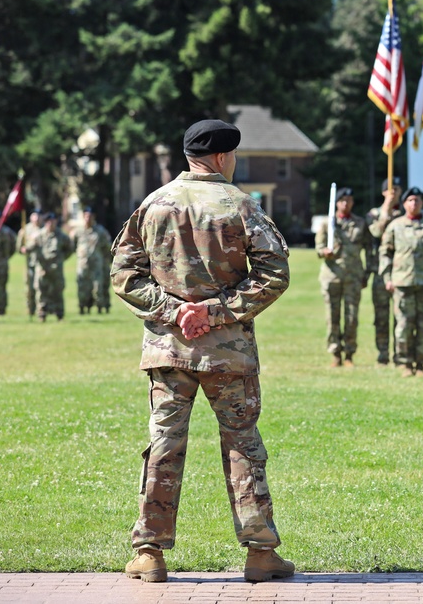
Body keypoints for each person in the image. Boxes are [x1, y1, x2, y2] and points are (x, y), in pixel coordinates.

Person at [112, 119, 293, 584]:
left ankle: (149, 552)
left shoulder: (153, 204)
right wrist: (214, 312)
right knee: (242, 444)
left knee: (164, 445)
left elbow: (123, 274)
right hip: (228, 354)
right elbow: (274, 272)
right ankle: (259, 553)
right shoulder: (240, 204)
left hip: (168, 351)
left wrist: (174, 312)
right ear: (221, 157)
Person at [379, 186, 423, 377]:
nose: (414, 203)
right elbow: (385, 253)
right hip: (402, 282)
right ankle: (405, 362)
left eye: (417, 200)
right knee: (403, 325)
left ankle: (421, 363)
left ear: (422, 204)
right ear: (404, 204)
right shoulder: (395, 225)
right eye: (410, 200)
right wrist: (387, 278)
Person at [315, 186, 370, 367]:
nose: (346, 204)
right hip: (332, 276)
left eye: (349, 201)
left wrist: (367, 273)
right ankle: (335, 352)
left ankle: (349, 354)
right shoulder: (327, 224)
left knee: (352, 317)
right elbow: (319, 248)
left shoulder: (360, 223)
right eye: (342, 201)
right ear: (336, 203)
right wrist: (325, 252)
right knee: (333, 316)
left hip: (353, 275)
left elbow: (369, 249)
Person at [366, 177, 403, 365]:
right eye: (390, 189)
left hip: (402, 271)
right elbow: (376, 232)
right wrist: (386, 211)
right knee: (381, 316)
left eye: (396, 189)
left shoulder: (407, 213)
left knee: (401, 316)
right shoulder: (374, 214)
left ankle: (400, 353)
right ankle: (382, 354)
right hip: (381, 271)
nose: (394, 192)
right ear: (383, 192)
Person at [29, 212, 73, 322]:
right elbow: (31, 247)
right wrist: (26, 248)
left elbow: (70, 248)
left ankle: (60, 315)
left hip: (56, 269)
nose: (51, 224)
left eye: (53, 221)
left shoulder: (61, 236)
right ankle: (42, 314)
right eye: (48, 222)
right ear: (45, 223)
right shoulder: (39, 235)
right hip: (42, 269)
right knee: (41, 292)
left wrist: (62, 258)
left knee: (58, 292)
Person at [71, 207, 112, 315]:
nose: (88, 218)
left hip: (97, 264)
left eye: (90, 216)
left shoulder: (100, 231)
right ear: (83, 217)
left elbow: (107, 246)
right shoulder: (78, 231)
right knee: (82, 287)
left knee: (97, 287)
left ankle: (100, 308)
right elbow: (72, 244)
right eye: (86, 216)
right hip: (83, 264)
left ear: (93, 217)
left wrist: (106, 261)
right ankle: (83, 308)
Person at [17, 209, 43, 318]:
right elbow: (18, 247)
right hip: (29, 263)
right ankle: (30, 308)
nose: (36, 218)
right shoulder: (25, 229)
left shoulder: (44, 229)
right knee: (28, 287)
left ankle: (40, 309)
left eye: (38, 216)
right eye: (34, 216)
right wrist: (22, 249)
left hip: (41, 263)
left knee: (39, 287)